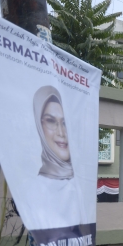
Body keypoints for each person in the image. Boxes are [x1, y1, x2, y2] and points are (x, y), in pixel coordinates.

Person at [19, 86, 88, 229]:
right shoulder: (33, 187)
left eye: (65, 123)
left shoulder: (80, 183)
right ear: (39, 124)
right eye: (51, 121)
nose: (61, 132)